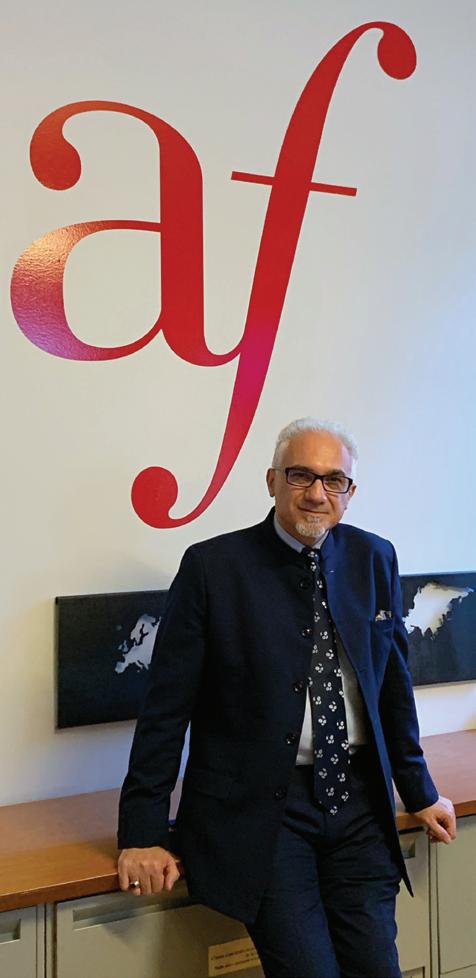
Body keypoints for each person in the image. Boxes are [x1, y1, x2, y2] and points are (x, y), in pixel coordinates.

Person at [117, 418, 456, 978]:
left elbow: (392, 687)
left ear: (350, 492)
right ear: (272, 480)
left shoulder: (375, 557)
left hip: (358, 804)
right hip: (263, 813)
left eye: (333, 480)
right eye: (301, 476)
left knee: (378, 967)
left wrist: (418, 789)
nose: (317, 493)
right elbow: (164, 709)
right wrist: (142, 833)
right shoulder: (212, 568)